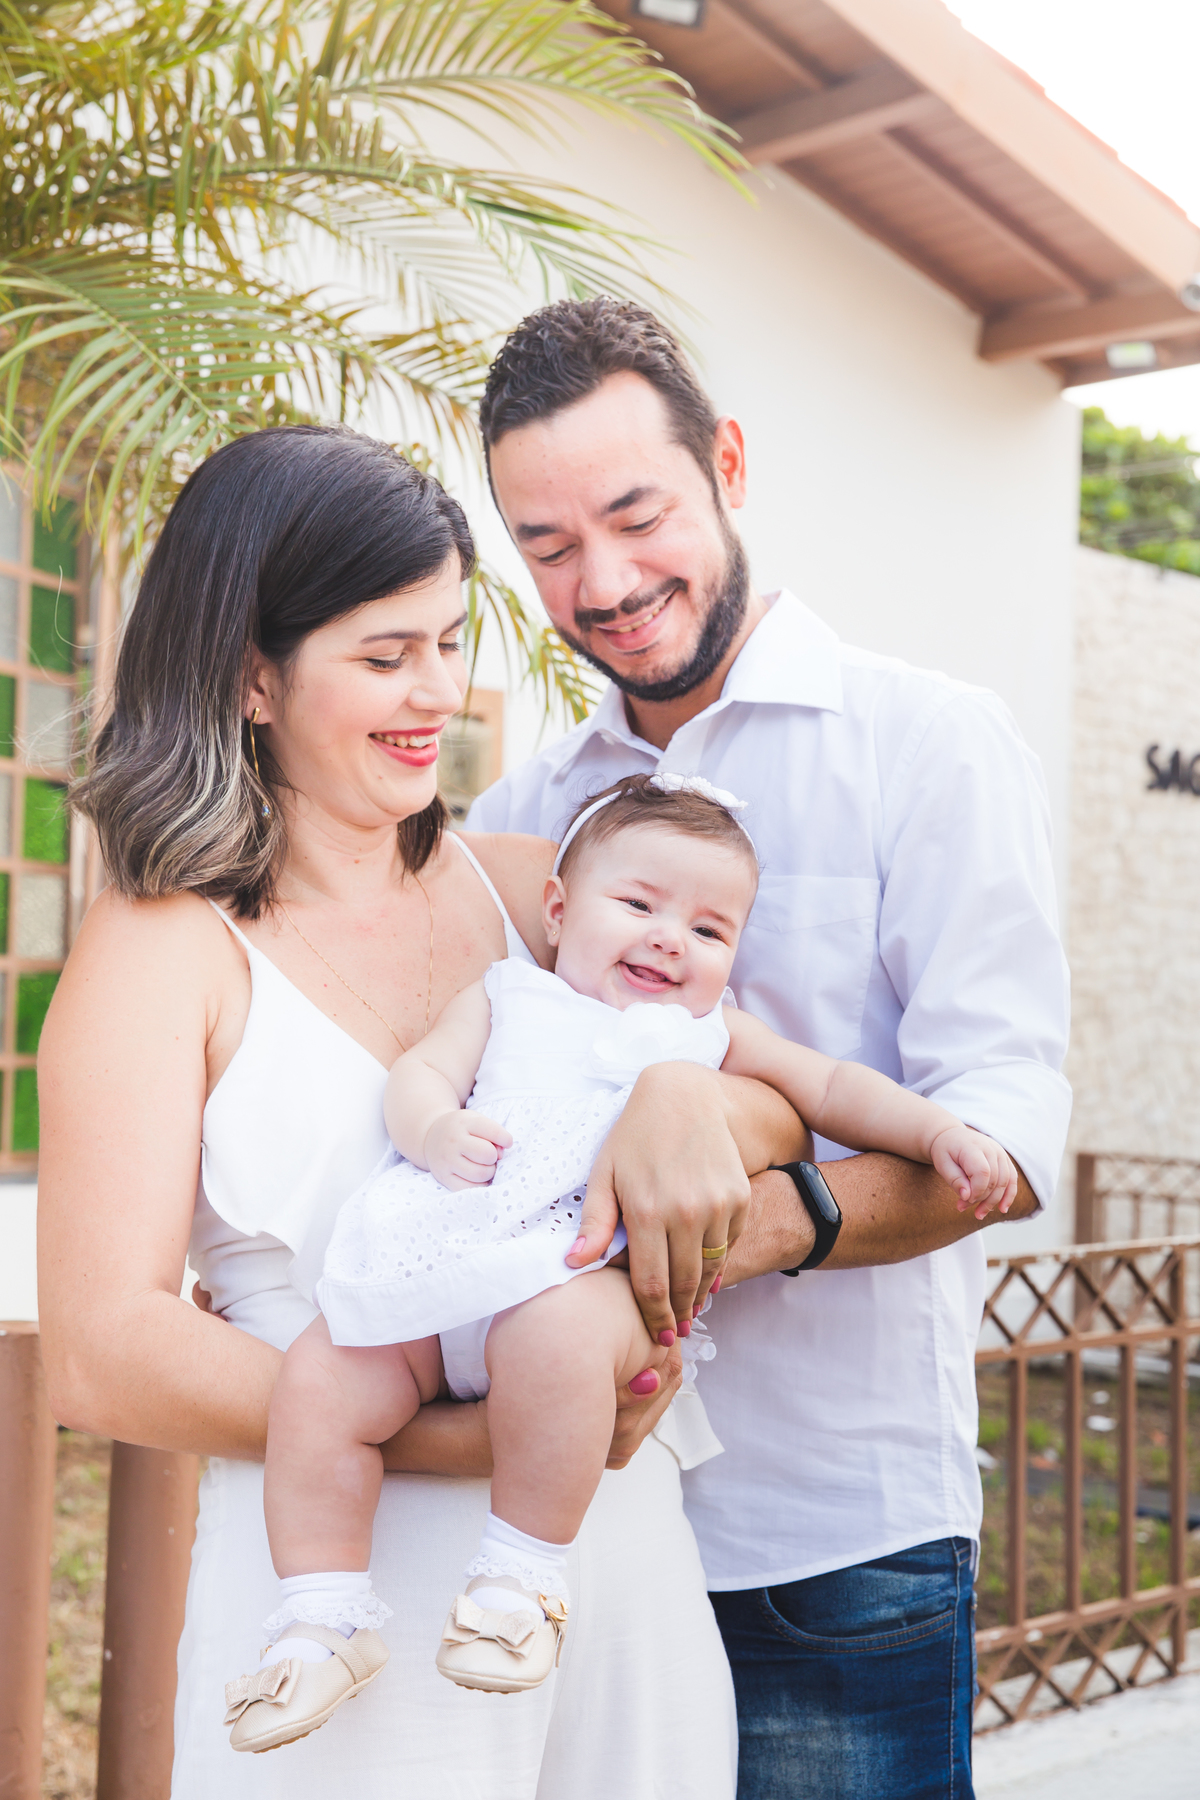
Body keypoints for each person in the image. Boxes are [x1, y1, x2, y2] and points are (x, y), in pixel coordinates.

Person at [35, 425, 805, 1800]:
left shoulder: (531, 889)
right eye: (387, 655)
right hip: (344, 1603)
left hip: (616, 1559)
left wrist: (688, 1097)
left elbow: (777, 1097)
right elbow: (103, 1351)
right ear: (253, 676)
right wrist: (475, 1437)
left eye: (449, 642)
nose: (438, 693)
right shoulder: (157, 951)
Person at [467, 298, 1073, 1799]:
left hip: (831, 1537)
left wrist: (758, 1220)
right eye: (548, 545)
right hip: (573, 1525)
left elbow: (1006, 1124)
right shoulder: (527, 811)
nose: (606, 583)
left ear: (727, 464)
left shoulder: (929, 743)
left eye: (636, 517)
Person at [244, 772, 1017, 1749]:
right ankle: (322, 1612)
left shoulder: (712, 1035)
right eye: (640, 905)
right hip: (445, 1262)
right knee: (323, 1373)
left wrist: (940, 1132)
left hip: (579, 1280)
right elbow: (421, 1073)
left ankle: (519, 1580)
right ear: (558, 911)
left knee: (558, 1344)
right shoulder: (508, 995)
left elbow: (829, 1088)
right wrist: (434, 1127)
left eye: (709, 928)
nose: (670, 939)